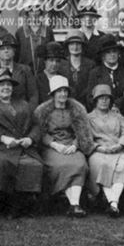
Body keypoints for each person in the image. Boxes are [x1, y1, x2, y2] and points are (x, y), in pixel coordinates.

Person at [0, 68, 43, 217]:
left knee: (33, 164)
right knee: (2, 162)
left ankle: (24, 201)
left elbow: (36, 125)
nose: (6, 88)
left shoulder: (24, 104)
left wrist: (30, 139)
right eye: (1, 85)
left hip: (22, 147)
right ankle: (3, 200)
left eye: (8, 84)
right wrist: (2, 138)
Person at [34, 75, 94, 218]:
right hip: (52, 147)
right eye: (59, 91)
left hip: (72, 145)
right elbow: (39, 133)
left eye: (65, 91)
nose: (63, 94)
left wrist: (75, 145)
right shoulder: (43, 111)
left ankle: (74, 203)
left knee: (80, 164)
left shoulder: (77, 109)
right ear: (53, 94)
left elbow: (83, 131)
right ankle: (74, 204)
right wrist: (54, 144)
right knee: (60, 165)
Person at [86, 84, 124, 217]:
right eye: (100, 98)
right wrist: (99, 148)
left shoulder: (118, 116)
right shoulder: (88, 118)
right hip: (98, 151)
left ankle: (113, 204)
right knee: (103, 165)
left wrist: (120, 145)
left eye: (107, 98)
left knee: (123, 165)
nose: (104, 101)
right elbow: (86, 138)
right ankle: (114, 203)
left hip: (118, 150)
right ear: (95, 100)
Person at [0, 34, 39, 108]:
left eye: (9, 48)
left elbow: (33, 94)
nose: (6, 51)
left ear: (14, 51)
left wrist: (28, 111)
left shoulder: (25, 70)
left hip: (21, 112)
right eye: (2, 49)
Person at [90, 36, 124, 115]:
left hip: (122, 113)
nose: (112, 55)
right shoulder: (95, 73)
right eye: (108, 52)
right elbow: (90, 98)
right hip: (101, 114)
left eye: (114, 51)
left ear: (118, 53)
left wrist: (120, 103)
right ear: (103, 56)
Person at [15, 6, 54, 70]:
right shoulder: (20, 32)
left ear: (40, 13)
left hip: (44, 71)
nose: (34, 13)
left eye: (37, 10)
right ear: (27, 13)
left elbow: (52, 52)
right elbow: (16, 55)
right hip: (25, 71)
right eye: (31, 11)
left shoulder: (48, 31)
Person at [62, 30, 95, 100]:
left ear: (82, 46)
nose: (75, 47)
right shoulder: (62, 64)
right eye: (72, 44)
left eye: (78, 44)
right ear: (67, 46)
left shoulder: (90, 65)